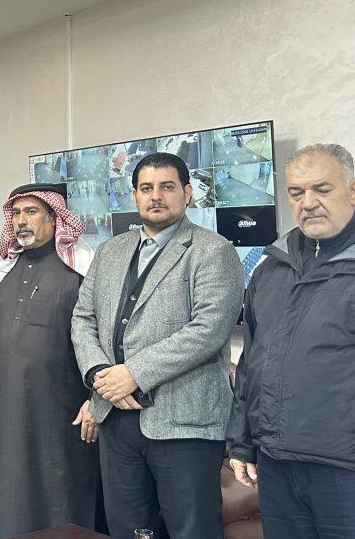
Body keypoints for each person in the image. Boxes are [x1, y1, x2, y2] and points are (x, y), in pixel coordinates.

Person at [71, 152, 244, 539]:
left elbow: (208, 329)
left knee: (192, 531)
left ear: (187, 193)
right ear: (134, 195)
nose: (156, 196)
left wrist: (134, 373)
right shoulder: (109, 251)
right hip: (115, 417)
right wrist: (100, 374)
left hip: (185, 423)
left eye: (167, 187)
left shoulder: (213, 250)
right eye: (146, 188)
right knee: (129, 529)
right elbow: (82, 318)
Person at [227, 143, 355, 538]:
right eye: (297, 192)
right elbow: (251, 363)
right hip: (276, 464)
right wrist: (242, 443)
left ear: (352, 190)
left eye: (322, 189)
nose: (308, 203)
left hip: (343, 469)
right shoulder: (270, 268)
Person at [0, 183, 101, 537]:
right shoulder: (4, 274)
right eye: (16, 213)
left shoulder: (80, 269)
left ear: (55, 219)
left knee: (61, 492)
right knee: (14, 486)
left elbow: (103, 338)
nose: (21, 221)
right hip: (14, 407)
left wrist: (95, 398)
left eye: (32, 212)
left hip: (67, 408)